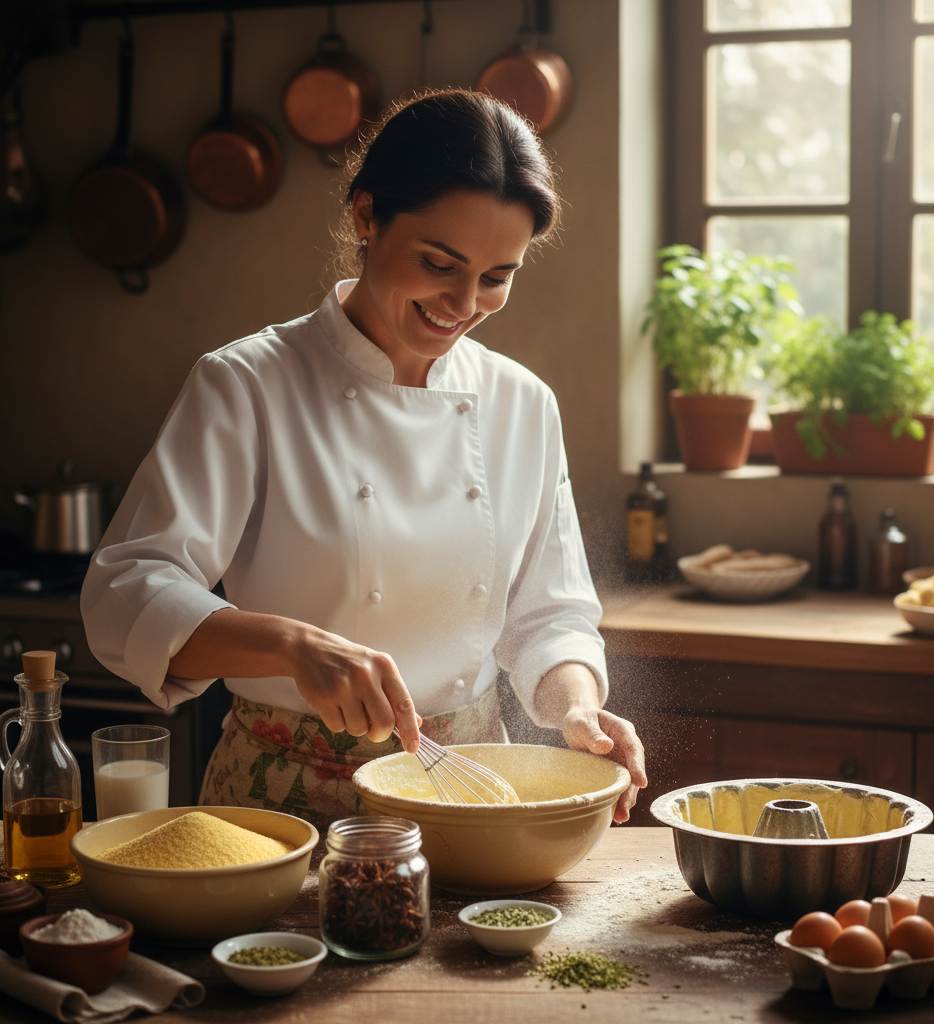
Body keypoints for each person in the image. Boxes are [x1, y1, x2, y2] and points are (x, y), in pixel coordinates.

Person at [81, 89, 646, 831]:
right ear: (366, 216)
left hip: (468, 800)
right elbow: (124, 592)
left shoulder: (522, 403)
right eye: (439, 262)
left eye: (497, 276)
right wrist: (291, 646)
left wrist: (578, 709)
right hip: (281, 809)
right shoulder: (249, 383)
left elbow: (551, 614)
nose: (464, 302)